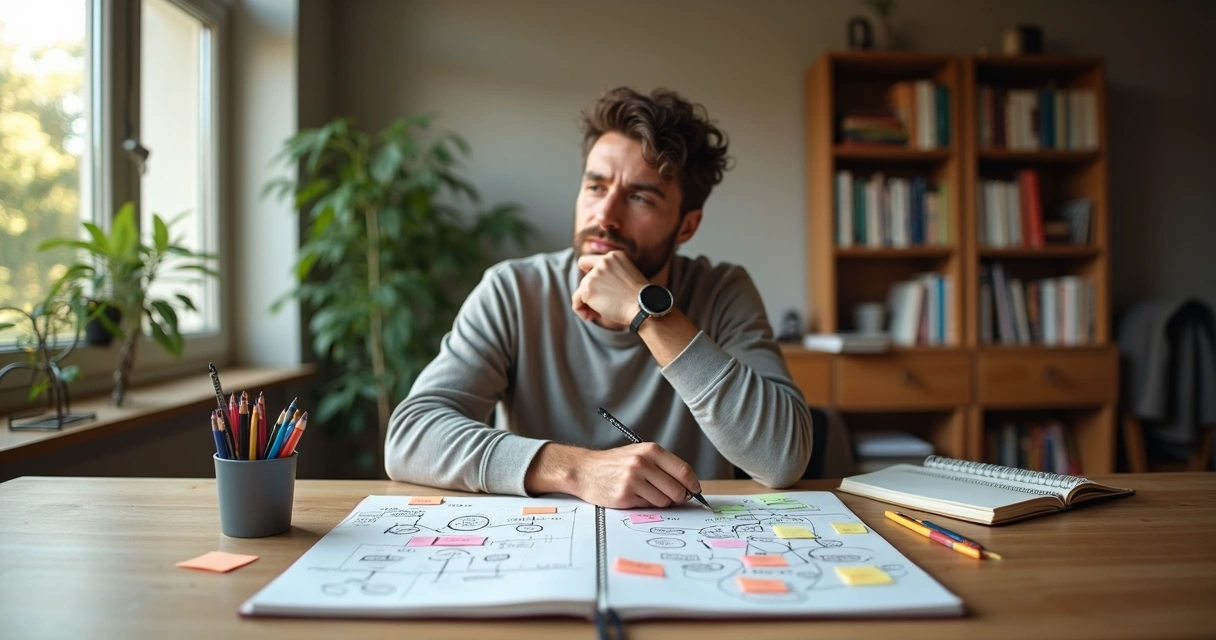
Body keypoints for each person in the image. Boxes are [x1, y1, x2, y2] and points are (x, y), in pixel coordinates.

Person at [385, 87, 814, 508]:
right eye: (595, 187)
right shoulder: (513, 291)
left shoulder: (722, 292)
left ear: (686, 226)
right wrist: (578, 470)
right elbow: (411, 436)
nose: (605, 216)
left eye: (640, 196)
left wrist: (645, 311)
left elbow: (782, 459)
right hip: (544, 545)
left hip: (692, 549)